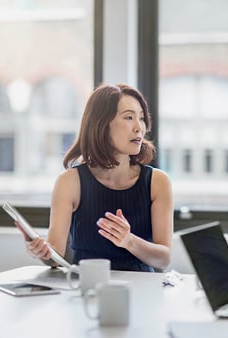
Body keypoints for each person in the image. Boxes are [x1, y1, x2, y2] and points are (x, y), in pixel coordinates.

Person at [18, 83, 174, 272]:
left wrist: (129, 241)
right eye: (129, 117)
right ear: (101, 124)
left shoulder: (158, 182)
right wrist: (41, 252)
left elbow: (164, 259)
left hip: (141, 291)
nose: (139, 128)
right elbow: (55, 257)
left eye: (141, 118)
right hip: (85, 288)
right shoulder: (69, 182)